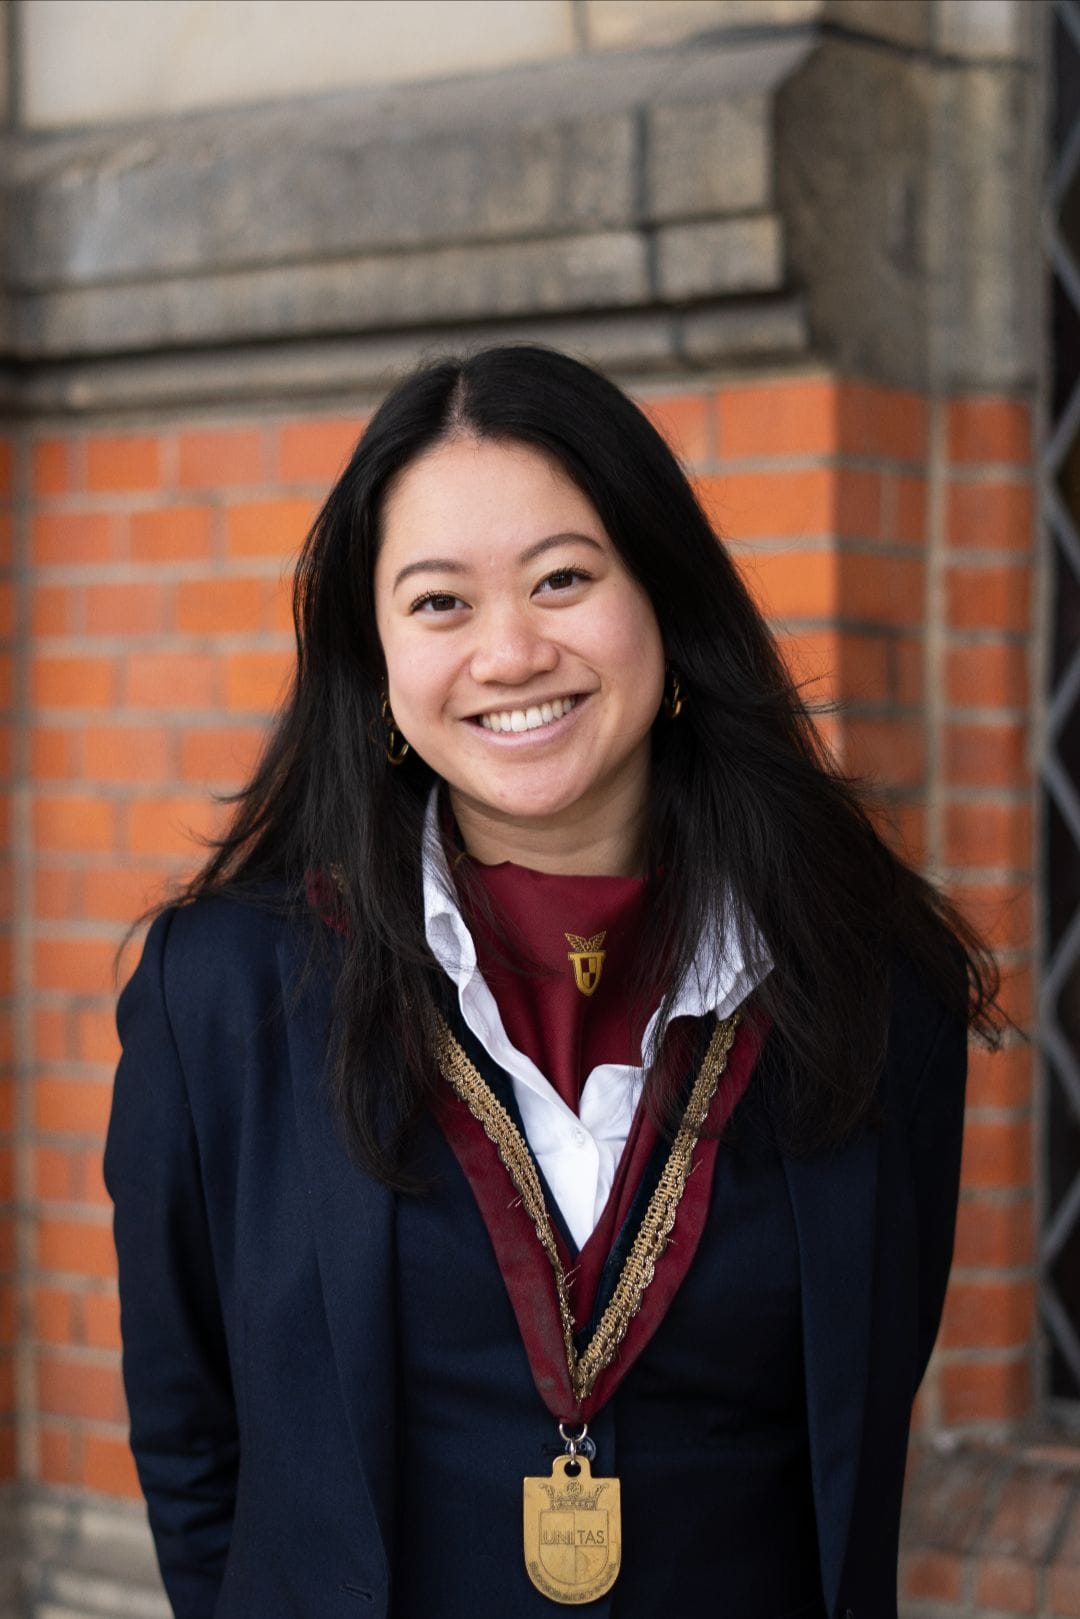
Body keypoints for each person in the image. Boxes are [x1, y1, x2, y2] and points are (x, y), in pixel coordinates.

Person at [105, 345, 1003, 1619]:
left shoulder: (872, 987)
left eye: (563, 578)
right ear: (376, 657)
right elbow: (192, 1438)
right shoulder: (227, 997)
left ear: (663, 598)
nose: (512, 651)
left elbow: (864, 1407)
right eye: (440, 602)